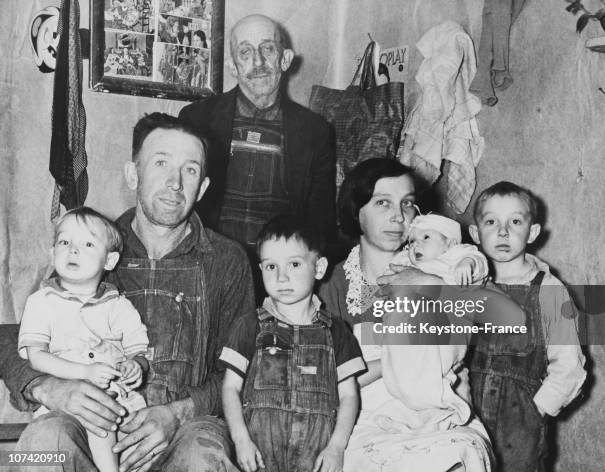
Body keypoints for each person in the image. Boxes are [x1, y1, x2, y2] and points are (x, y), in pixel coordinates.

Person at [4, 113, 255, 472]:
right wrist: (48, 388)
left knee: (206, 459)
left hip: (184, 431)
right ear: (133, 174)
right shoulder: (89, 246)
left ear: (202, 188)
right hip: (94, 427)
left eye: (190, 170)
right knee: (39, 449)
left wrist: (176, 413)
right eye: (162, 163)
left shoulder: (227, 262)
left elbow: (240, 372)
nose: (175, 183)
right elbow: (12, 340)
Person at [319, 158, 525, 472]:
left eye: (408, 203)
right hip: (367, 420)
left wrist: (430, 284)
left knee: (460, 455)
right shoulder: (334, 285)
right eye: (382, 203)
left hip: (444, 416)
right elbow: (327, 377)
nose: (398, 216)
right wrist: (399, 358)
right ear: (355, 210)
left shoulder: (448, 264)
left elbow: (513, 321)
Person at [179, 14, 336, 285]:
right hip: (206, 271)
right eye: (246, 52)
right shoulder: (196, 120)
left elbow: (320, 221)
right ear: (233, 66)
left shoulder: (314, 131)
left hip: (279, 278)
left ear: (285, 59)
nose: (258, 63)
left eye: (267, 49)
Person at [220, 215, 365, 472]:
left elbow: (349, 395)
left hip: (317, 460)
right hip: (258, 459)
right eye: (271, 266)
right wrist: (240, 440)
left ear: (319, 268)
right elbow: (230, 388)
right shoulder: (249, 325)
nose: (282, 277)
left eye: (295, 264)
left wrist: (336, 447)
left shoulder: (336, 332)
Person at [18, 207, 149, 472]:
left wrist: (135, 365)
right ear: (52, 252)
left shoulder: (118, 305)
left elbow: (139, 351)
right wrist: (85, 372)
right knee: (37, 450)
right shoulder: (41, 302)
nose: (73, 250)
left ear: (109, 261)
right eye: (64, 242)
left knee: (115, 427)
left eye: (88, 243)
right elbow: (36, 356)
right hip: (64, 407)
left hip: (119, 406)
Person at [467, 181, 586, 471]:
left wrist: (537, 410)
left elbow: (570, 365)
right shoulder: (466, 287)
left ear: (531, 232)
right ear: (475, 233)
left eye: (515, 221)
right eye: (491, 221)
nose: (503, 231)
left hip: (520, 429)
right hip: (467, 419)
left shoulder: (549, 290)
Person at [387, 213, 488, 286]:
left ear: (450, 244)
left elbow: (477, 257)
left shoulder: (454, 254)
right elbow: (388, 274)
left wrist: (468, 262)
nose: (415, 245)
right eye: (412, 241)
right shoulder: (405, 260)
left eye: (426, 237)